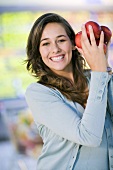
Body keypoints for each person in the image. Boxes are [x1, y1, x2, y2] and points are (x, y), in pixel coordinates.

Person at [25, 13, 113, 170]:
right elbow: (88, 137)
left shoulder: (98, 77)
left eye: (61, 40)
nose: (55, 49)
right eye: (46, 43)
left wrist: (104, 67)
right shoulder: (38, 93)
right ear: (38, 51)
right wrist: (100, 72)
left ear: (73, 44)